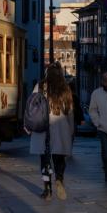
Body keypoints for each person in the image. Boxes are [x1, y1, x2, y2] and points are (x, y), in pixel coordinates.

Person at [29, 63, 74, 200]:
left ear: (47, 73)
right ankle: (59, 179)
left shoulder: (40, 86)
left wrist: (31, 125)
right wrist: (71, 130)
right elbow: (70, 111)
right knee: (59, 158)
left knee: (45, 161)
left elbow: (32, 105)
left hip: (43, 128)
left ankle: (47, 189)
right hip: (61, 128)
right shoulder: (65, 88)